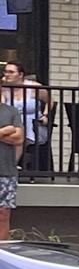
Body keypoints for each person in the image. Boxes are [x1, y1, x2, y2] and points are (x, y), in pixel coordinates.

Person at [0, 99, 24, 240]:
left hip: (6, 170)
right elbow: (12, 135)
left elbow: (18, 138)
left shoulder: (11, 111)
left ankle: (2, 255)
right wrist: (4, 131)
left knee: (3, 214)